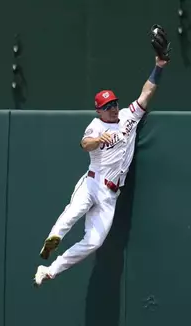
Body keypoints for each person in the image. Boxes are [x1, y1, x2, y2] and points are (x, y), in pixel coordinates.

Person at [33, 55, 169, 287]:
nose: (113, 108)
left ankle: (49, 270)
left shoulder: (128, 116)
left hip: (111, 194)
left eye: (114, 103)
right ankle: (53, 237)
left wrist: (158, 67)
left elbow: (146, 93)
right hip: (93, 183)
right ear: (99, 111)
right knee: (74, 211)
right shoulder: (96, 126)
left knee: (94, 242)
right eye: (107, 106)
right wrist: (97, 140)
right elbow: (84, 144)